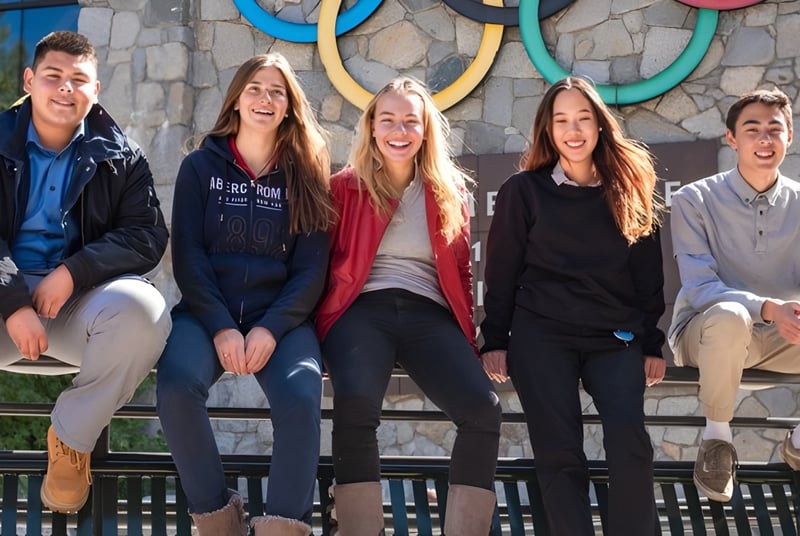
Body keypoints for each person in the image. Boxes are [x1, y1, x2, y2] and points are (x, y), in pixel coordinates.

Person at [156, 53, 334, 536]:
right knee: (174, 388)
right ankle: (219, 521)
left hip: (283, 320)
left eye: (277, 92)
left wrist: (271, 328)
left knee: (301, 399)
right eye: (255, 87)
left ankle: (281, 528)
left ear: (289, 108)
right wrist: (219, 326)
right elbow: (188, 257)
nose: (265, 98)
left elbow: (310, 271)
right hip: (205, 312)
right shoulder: (199, 168)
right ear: (236, 98)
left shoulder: (308, 176)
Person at [315, 77, 502, 535]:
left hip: (427, 313)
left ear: (425, 130)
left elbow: (460, 272)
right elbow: (321, 263)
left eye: (410, 121)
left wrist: (468, 337)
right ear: (372, 128)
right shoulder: (343, 188)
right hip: (362, 309)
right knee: (356, 403)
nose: (400, 130)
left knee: (484, 409)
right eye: (388, 120)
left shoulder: (449, 191)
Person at [480, 76, 666, 535]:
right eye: (562, 120)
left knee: (630, 442)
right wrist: (495, 340)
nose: (574, 130)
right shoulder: (522, 191)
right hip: (541, 335)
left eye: (584, 118)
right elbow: (501, 272)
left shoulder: (632, 187)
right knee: (559, 450)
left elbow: (647, 275)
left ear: (601, 125)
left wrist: (651, 343)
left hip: (614, 336)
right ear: (548, 130)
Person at [0, 31, 171, 514]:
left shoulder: (123, 157)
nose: (65, 89)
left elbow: (147, 236)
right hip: (2, 305)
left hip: (78, 306)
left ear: (96, 90)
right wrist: (13, 302)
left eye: (79, 79)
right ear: (30, 81)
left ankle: (71, 438)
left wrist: (75, 271)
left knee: (145, 310)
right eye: (53, 76)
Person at [668, 88, 800, 503]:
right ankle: (717, 441)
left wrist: (787, 314)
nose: (764, 139)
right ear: (731, 138)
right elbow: (701, 288)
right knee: (729, 314)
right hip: (705, 334)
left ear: (789, 136)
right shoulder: (694, 199)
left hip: (782, 338)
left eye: (774, 129)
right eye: (752, 129)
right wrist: (767, 308)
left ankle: (798, 438)